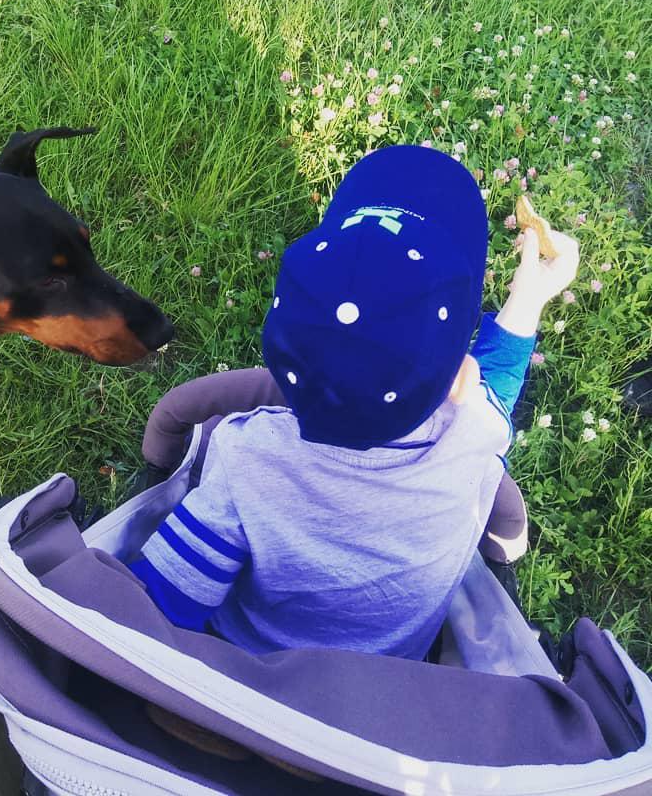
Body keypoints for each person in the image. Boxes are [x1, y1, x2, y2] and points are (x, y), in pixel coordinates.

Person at [131, 145, 579, 659]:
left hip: (245, 668)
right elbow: (497, 382)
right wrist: (531, 295)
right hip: (388, 688)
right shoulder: (470, 434)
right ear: (461, 381)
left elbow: (158, 608)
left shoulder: (246, 460)